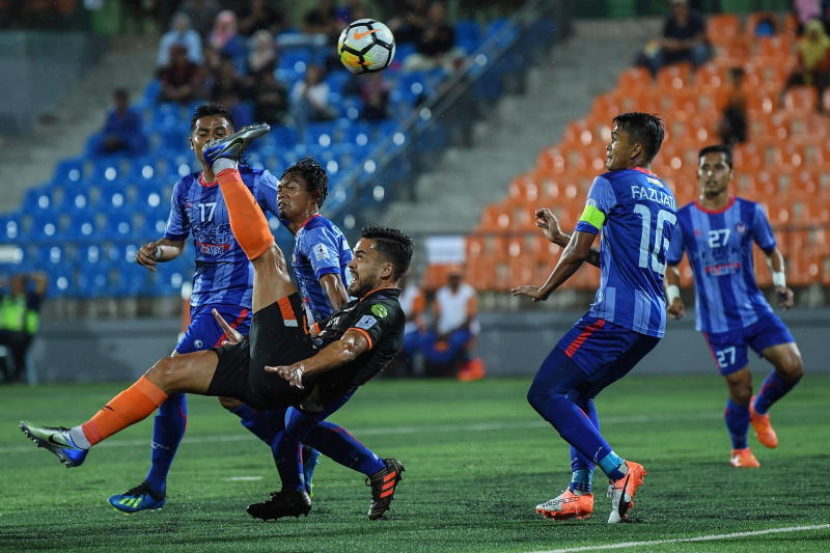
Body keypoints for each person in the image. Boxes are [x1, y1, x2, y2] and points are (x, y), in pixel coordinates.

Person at [20, 124, 411, 521]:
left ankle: (226, 165)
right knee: (174, 374)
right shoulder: (324, 251)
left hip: (303, 365)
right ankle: (79, 440)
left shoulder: (326, 246)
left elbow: (344, 326)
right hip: (298, 358)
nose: (352, 263)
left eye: (292, 187)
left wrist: (303, 363)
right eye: (281, 186)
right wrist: (261, 340)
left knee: (268, 260)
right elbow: (335, 317)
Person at [85, 104, 315, 514]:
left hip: (239, 304)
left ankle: (155, 485)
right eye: (203, 133)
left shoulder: (255, 180)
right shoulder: (185, 189)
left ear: (234, 139)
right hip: (204, 302)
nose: (211, 139)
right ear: (191, 142)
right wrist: (157, 250)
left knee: (170, 377)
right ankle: (298, 447)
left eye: (220, 132)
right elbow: (176, 242)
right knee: (231, 396)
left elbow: (297, 223)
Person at [512, 113, 675, 523]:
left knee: (545, 392)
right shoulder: (664, 194)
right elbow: (615, 259)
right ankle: (579, 491)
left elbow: (581, 250)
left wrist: (545, 288)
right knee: (578, 392)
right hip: (650, 322)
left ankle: (618, 471)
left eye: (615, 138)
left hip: (615, 315)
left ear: (635, 149)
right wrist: (561, 238)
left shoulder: (608, 184)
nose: (608, 146)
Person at [665, 144, 804, 468]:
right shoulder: (684, 219)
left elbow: (771, 251)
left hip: (754, 309)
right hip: (717, 319)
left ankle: (761, 408)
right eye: (705, 168)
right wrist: (673, 296)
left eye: (718, 167)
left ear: (731, 174)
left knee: (793, 367)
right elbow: (671, 264)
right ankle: (739, 450)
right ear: (698, 174)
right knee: (740, 388)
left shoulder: (750, 212)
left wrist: (780, 283)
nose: (711, 174)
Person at [422, 267, 484, 381]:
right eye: (452, 278)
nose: (454, 280)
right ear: (448, 279)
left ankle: (451, 368)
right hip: (443, 331)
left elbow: (469, 319)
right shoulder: (441, 293)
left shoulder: (468, 292)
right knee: (427, 340)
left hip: (463, 330)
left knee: (454, 342)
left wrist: (449, 333)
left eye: (456, 278)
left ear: (461, 278)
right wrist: (437, 330)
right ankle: (435, 368)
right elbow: (437, 316)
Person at [0, 272, 47, 383]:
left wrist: (26, 277)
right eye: (13, 283)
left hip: (22, 335)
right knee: (2, 350)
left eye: (18, 283)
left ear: (23, 285)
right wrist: (5, 282)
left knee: (18, 351)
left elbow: (42, 280)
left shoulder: (30, 299)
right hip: (4, 334)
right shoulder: (5, 299)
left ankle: (15, 376)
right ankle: (7, 375)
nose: (15, 286)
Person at [643, 0, 710, 76]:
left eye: (680, 6)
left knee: (700, 50)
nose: (678, 9)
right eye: (676, 6)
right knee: (656, 52)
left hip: (690, 51)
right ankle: (660, 77)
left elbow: (699, 39)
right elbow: (664, 38)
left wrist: (681, 45)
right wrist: (668, 44)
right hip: (673, 52)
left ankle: (698, 76)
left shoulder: (696, 18)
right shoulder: (670, 19)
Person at [781, 18, 830, 111]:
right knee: (793, 77)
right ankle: (783, 98)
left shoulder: (827, 44)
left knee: (823, 79)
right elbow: (800, 62)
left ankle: (820, 104)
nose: (813, 35)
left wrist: (813, 67)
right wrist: (801, 69)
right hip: (808, 72)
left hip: (821, 72)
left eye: (815, 32)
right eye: (811, 32)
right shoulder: (803, 45)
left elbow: (827, 63)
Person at [92, 88, 148, 157]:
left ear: (126, 100)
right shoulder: (112, 115)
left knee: (136, 143)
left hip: (129, 141)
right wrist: (109, 138)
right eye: (118, 100)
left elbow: (136, 131)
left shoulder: (134, 115)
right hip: (114, 143)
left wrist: (120, 138)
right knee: (96, 142)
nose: (120, 103)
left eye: (122, 100)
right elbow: (107, 130)